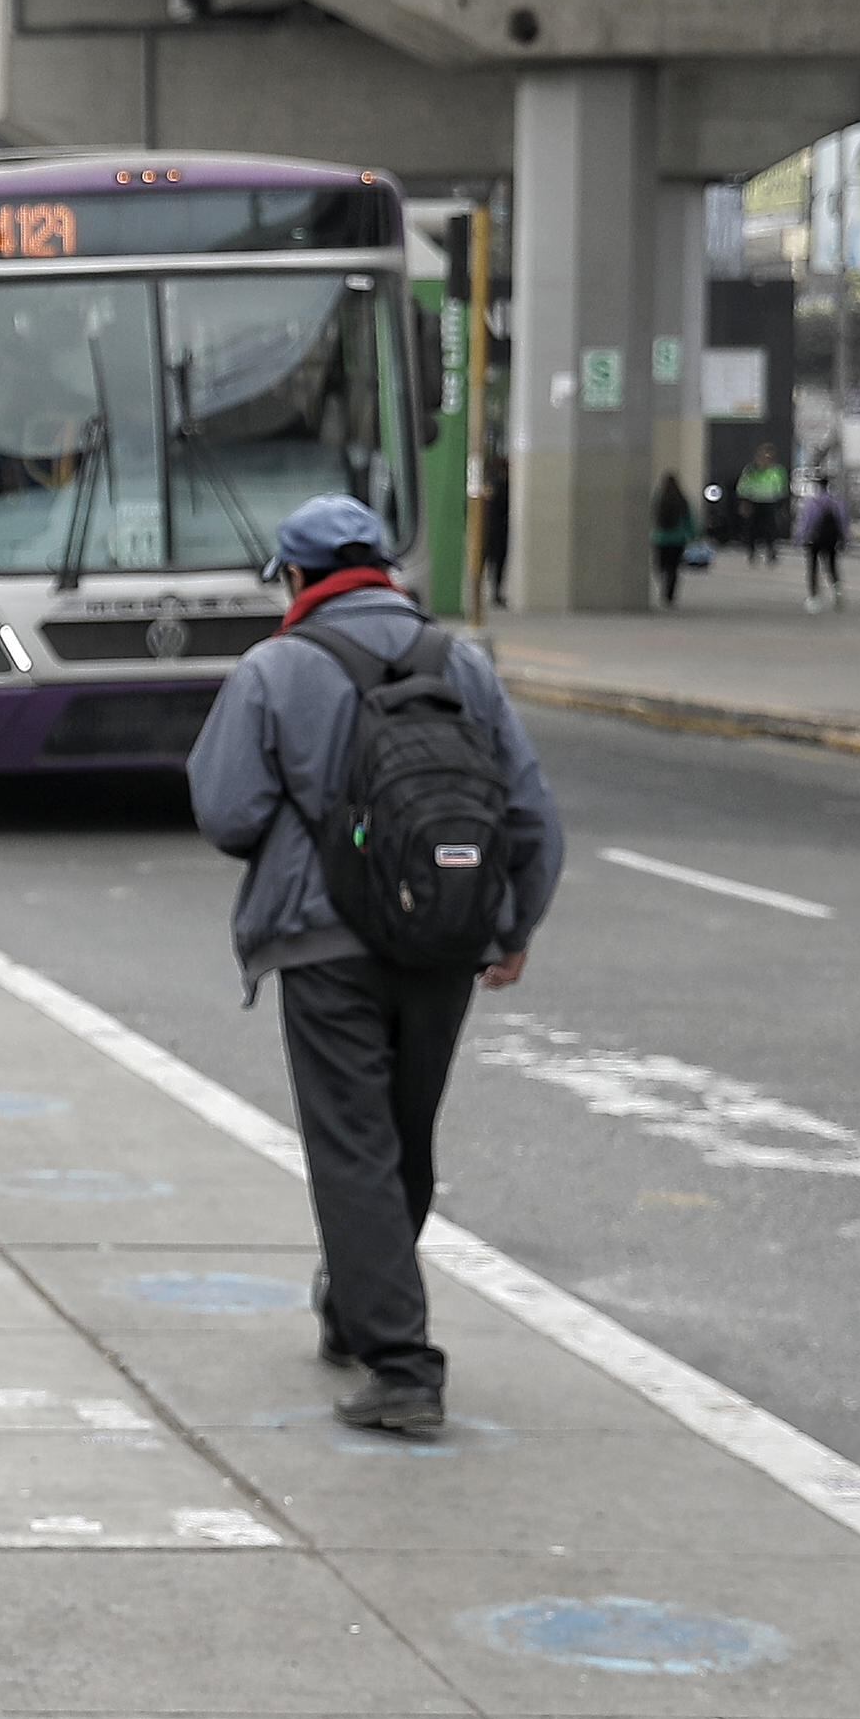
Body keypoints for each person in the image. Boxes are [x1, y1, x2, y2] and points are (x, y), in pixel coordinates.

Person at [185, 494, 563, 1438]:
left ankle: (402, 1364)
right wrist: (513, 927)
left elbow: (226, 810)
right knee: (403, 1134)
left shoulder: (276, 667)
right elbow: (531, 814)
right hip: (444, 935)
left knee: (352, 1144)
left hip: (324, 943)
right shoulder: (462, 664)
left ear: (300, 578)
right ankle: (359, 1307)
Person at [801, 469, 852, 611]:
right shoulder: (837, 503)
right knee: (831, 566)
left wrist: (801, 537)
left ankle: (814, 598)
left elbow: (807, 522)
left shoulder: (812, 503)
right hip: (832, 539)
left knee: (813, 568)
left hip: (814, 539)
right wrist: (846, 540)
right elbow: (844, 523)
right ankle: (837, 590)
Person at [736, 446, 790, 564]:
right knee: (753, 528)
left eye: (769, 457)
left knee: (770, 528)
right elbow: (743, 485)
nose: (766, 460)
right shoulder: (750, 470)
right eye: (764, 456)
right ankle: (752, 552)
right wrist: (744, 501)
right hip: (754, 502)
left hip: (770, 502)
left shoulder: (777, 471)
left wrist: (782, 502)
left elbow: (782, 486)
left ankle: (771, 552)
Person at [652, 471, 696, 606]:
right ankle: (669, 594)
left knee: (661, 566)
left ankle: (664, 585)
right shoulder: (682, 500)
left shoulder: (659, 500)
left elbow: (652, 518)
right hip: (678, 539)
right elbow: (689, 519)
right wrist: (692, 534)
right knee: (674, 568)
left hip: (661, 539)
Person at [478, 450, 513, 611]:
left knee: (487, 562)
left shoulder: (490, 483)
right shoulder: (503, 484)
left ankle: (485, 591)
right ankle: (494, 593)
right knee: (496, 562)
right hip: (497, 528)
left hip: (487, 528)